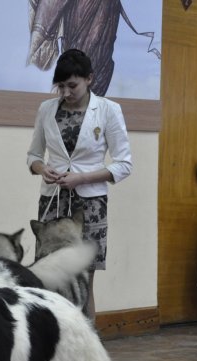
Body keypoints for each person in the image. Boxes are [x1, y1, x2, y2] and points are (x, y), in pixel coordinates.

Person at [26, 48, 132, 321]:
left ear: (89, 79)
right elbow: (33, 156)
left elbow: (124, 164)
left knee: (84, 278)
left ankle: (87, 344)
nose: (66, 92)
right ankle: (50, 339)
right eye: (60, 86)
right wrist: (42, 170)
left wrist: (81, 178)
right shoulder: (46, 110)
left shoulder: (108, 110)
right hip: (53, 202)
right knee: (49, 274)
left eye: (72, 85)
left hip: (90, 206)